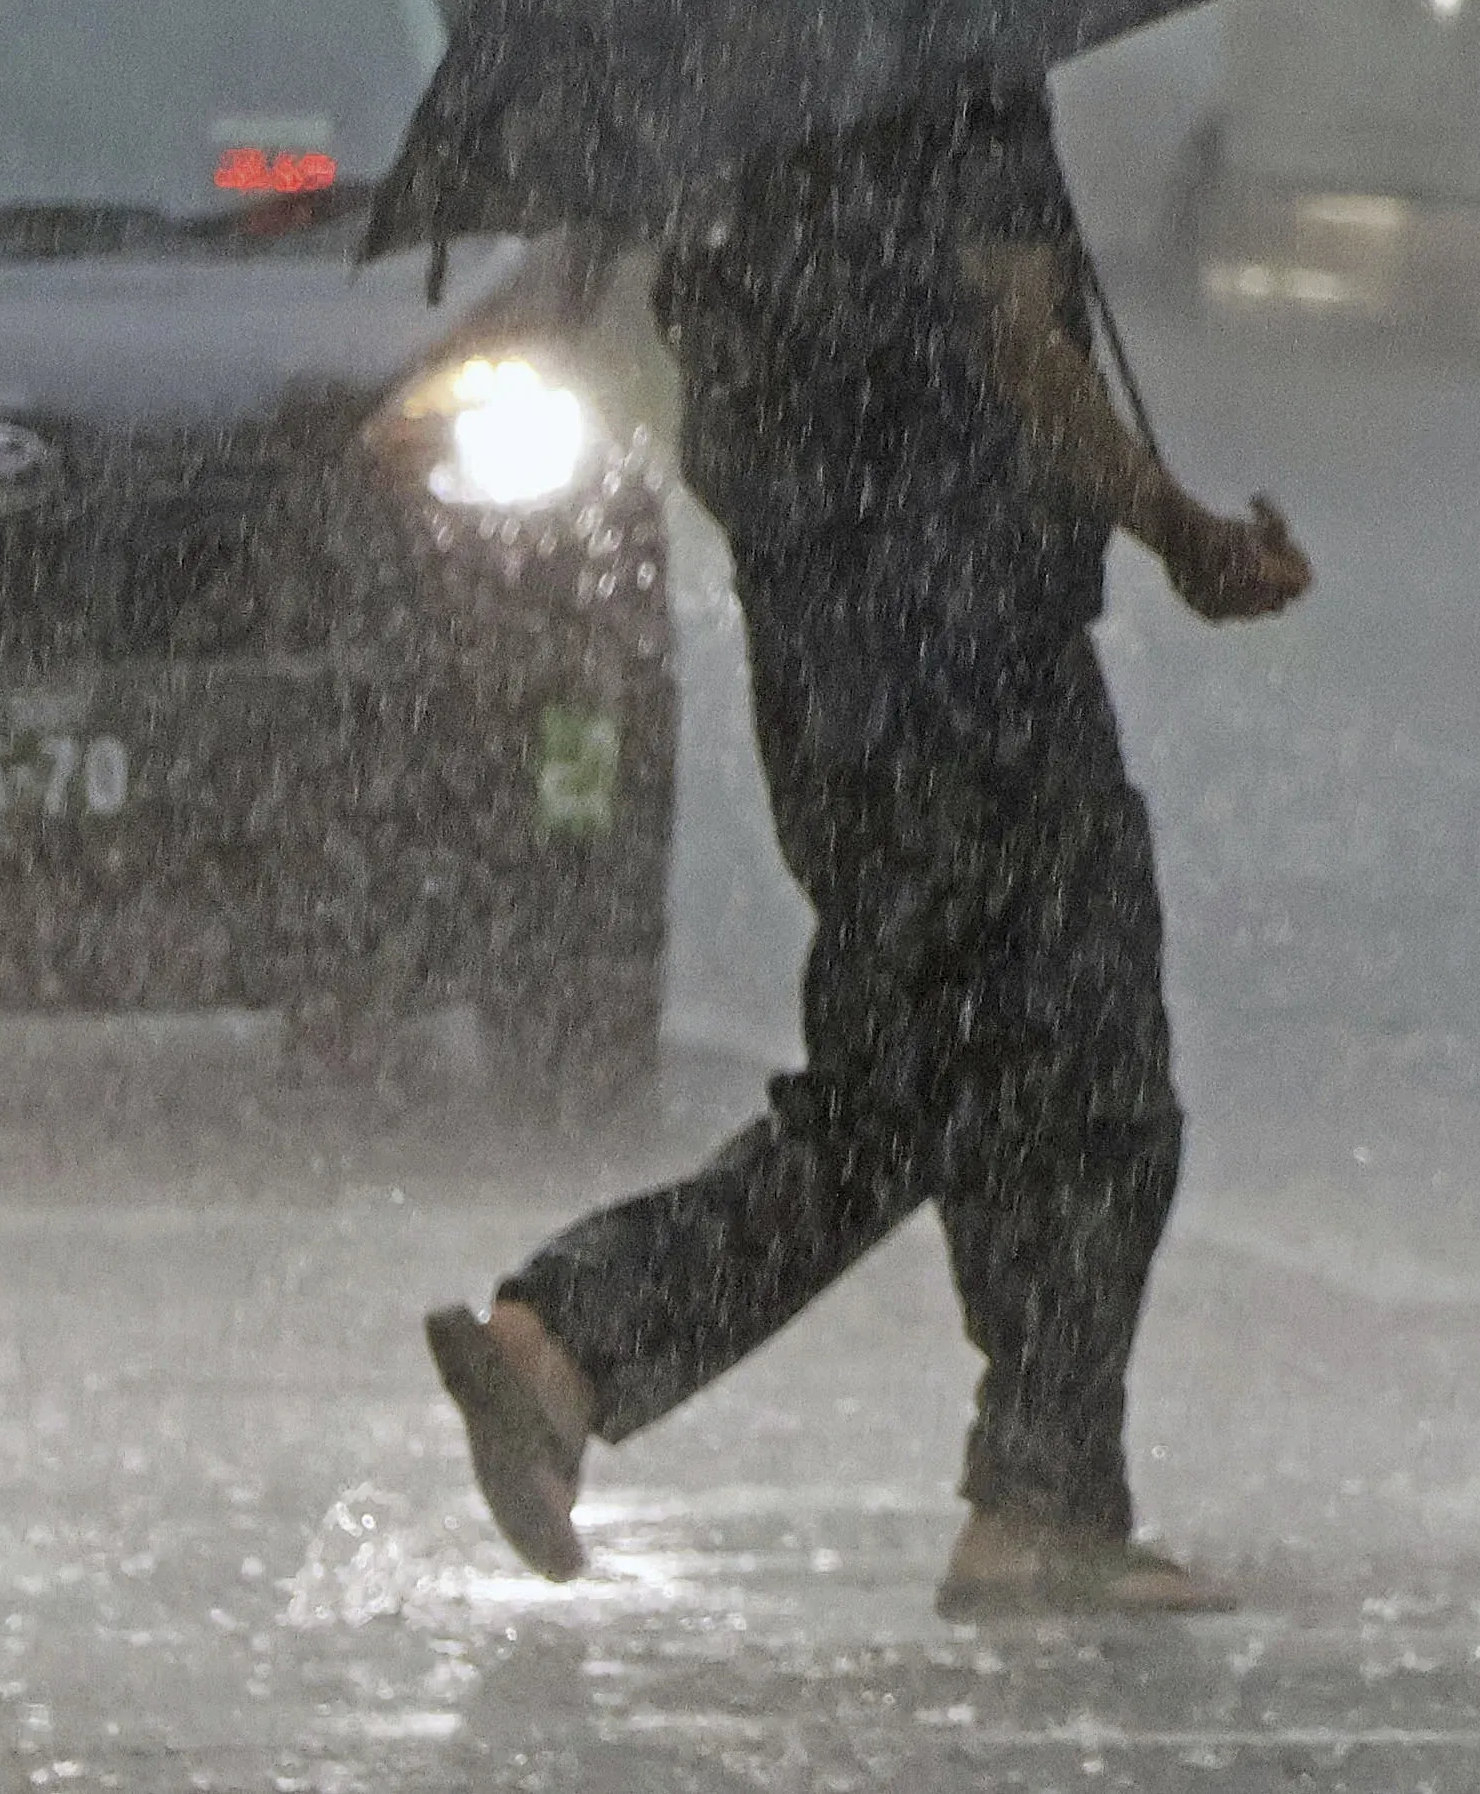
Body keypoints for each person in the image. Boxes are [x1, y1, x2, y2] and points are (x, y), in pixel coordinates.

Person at [426, 87, 1311, 1616]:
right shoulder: (956, 55)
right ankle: (1034, 1494)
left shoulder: (749, 109)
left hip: (832, 684)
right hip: (977, 671)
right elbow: (1021, 345)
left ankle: (571, 1350)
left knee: (914, 1084)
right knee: (1087, 1080)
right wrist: (1177, 527)